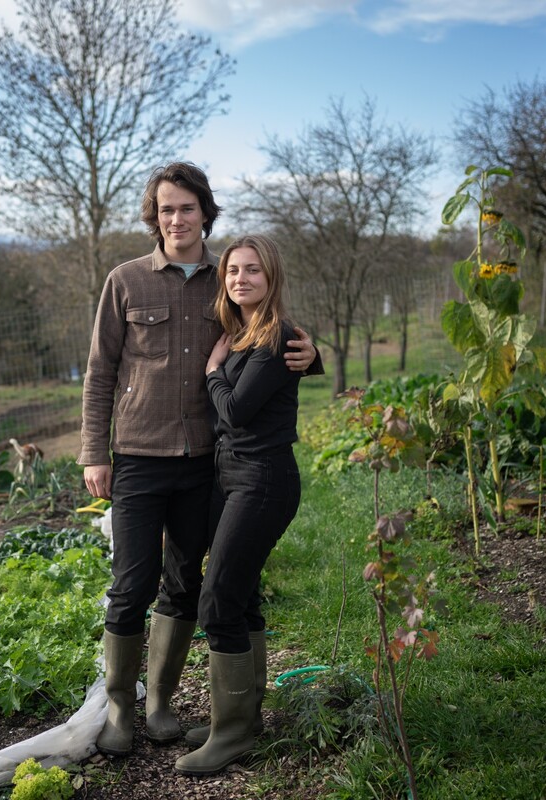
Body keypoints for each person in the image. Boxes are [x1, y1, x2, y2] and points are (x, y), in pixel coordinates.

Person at [79, 163, 320, 757]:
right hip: (137, 456)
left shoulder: (227, 278)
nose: (177, 219)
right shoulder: (126, 281)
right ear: (154, 216)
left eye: (187, 208)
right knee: (131, 584)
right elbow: (99, 371)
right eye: (166, 209)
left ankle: (159, 705)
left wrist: (314, 353)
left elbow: (270, 335)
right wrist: (93, 452)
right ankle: (119, 710)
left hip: (205, 464)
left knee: (186, 582)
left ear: (205, 213)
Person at [174, 234, 304, 776]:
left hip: (263, 479)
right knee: (242, 594)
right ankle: (243, 718)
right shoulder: (244, 333)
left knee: (218, 600)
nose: (239, 279)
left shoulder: (275, 338)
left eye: (252, 270)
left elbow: (237, 413)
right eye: (231, 271)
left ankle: (230, 734)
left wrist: (209, 373)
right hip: (232, 476)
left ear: (270, 277)